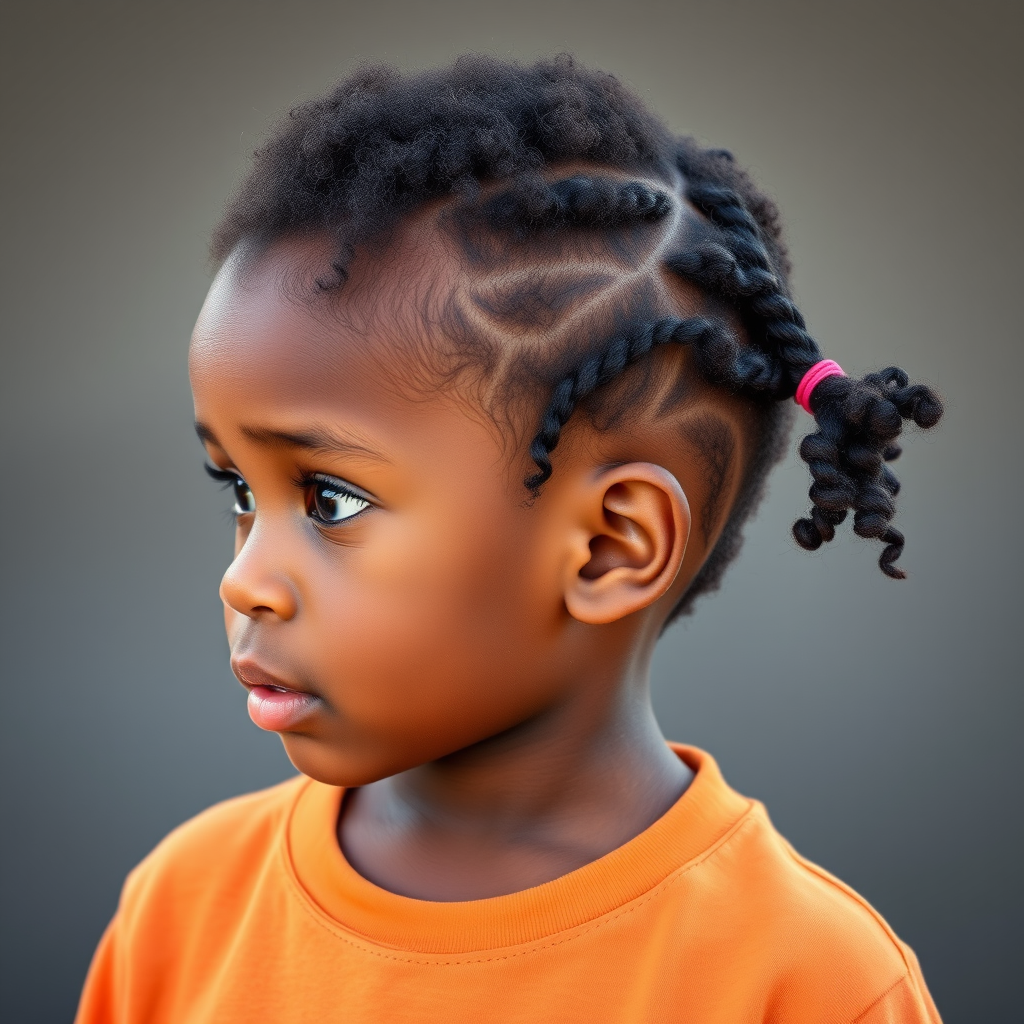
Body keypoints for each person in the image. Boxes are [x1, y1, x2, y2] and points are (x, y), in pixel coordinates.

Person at [75, 54, 944, 1023]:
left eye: (329, 499)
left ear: (610, 546)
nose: (245, 580)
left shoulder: (809, 982)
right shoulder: (182, 911)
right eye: (238, 486)